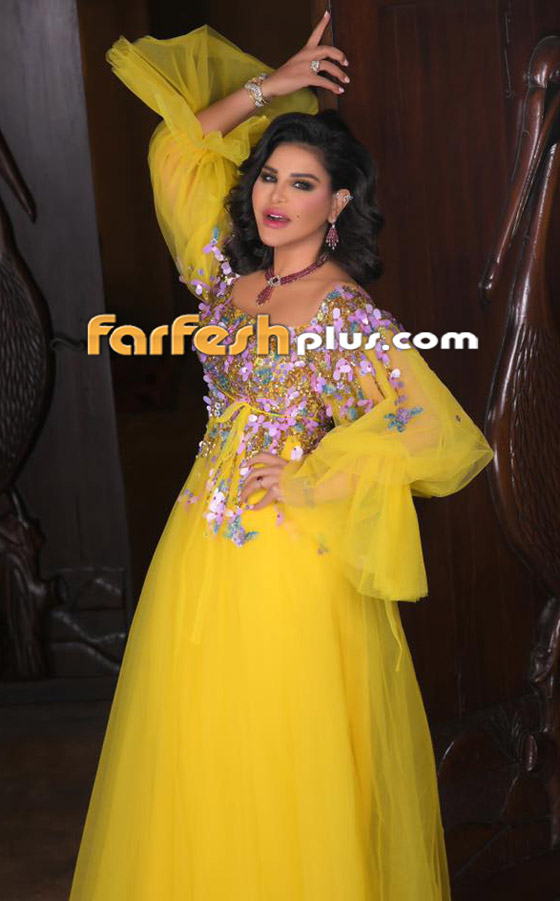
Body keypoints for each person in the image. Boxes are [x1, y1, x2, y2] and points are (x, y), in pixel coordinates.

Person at [69, 11, 493, 900]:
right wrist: (273, 87)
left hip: (293, 565)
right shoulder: (228, 278)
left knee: (284, 753)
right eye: (269, 174)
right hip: (201, 551)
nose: (276, 195)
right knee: (203, 749)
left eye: (302, 183)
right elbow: (175, 151)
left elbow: (438, 433)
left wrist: (311, 476)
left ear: (336, 206)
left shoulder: (343, 312)